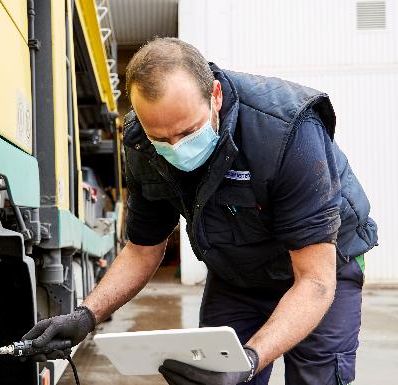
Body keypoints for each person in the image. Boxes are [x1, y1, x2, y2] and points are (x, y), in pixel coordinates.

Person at [22, 38, 377, 385]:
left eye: (188, 131)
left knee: (317, 375)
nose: (176, 148)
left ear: (216, 96)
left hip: (324, 265)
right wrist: (86, 315)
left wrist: (250, 360)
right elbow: (143, 249)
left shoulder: (284, 130)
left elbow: (315, 281)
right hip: (236, 274)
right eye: (161, 139)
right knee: (212, 375)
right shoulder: (141, 143)